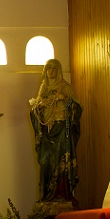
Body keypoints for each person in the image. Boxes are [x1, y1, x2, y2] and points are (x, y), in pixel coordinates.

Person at [29, 59, 82, 203]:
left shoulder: (65, 87)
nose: (51, 72)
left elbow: (76, 106)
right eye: (48, 69)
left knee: (61, 160)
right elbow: (36, 109)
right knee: (46, 161)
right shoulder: (44, 87)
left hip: (62, 128)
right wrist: (40, 105)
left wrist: (64, 99)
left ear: (58, 71)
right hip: (47, 130)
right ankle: (47, 194)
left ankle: (62, 195)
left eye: (54, 69)